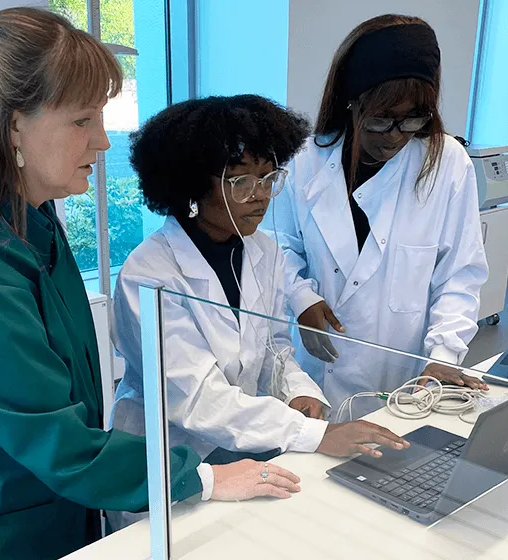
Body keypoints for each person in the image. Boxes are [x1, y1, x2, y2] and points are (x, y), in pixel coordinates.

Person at [0, 9, 302, 560]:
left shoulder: (35, 225)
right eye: (81, 121)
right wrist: (208, 480)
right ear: (13, 124)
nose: (101, 141)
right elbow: (61, 444)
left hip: (55, 505)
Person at [110, 95, 410, 528]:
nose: (261, 196)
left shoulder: (262, 251)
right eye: (240, 182)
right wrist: (314, 434)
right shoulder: (149, 275)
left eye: (269, 178)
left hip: (240, 448)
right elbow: (195, 398)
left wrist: (297, 391)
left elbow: (272, 347)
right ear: (192, 185)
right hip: (170, 455)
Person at [261, 14, 489, 417]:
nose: (396, 135)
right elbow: (278, 246)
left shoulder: (447, 163)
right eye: (381, 119)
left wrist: (444, 354)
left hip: (407, 371)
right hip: (319, 365)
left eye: (413, 119)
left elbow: (459, 273)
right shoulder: (305, 159)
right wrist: (300, 297)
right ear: (352, 102)